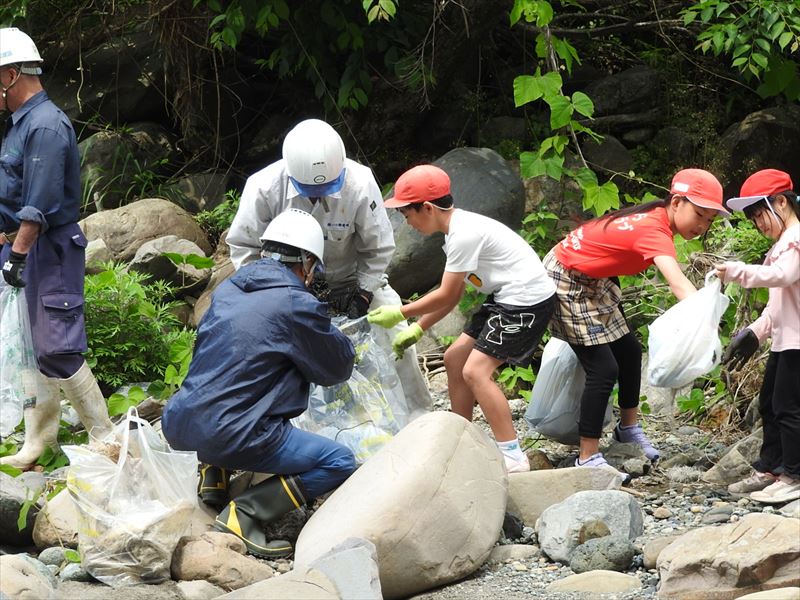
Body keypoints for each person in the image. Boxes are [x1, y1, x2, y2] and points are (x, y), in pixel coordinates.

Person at [161, 208, 357, 558]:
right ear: (308, 263)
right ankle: (246, 512)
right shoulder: (297, 303)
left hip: (180, 424)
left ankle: (213, 477)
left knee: (232, 378)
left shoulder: (229, 288)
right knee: (338, 461)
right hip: (234, 434)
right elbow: (337, 368)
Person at [368, 164, 557, 473]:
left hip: (526, 301)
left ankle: (512, 455)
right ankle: (460, 440)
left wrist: (401, 313)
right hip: (505, 297)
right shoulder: (456, 230)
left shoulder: (463, 235)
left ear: (427, 208)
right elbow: (453, 296)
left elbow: (444, 295)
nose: (408, 223)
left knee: (475, 372)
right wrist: (418, 329)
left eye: (407, 215)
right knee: (456, 357)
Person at [541, 168, 729, 471]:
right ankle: (587, 456)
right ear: (677, 202)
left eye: (710, 220)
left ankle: (627, 431)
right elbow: (678, 283)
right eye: (700, 214)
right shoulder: (653, 229)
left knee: (628, 351)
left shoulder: (657, 216)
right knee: (602, 368)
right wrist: (708, 323)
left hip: (594, 280)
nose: (703, 226)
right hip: (565, 277)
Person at [0, 28, 112, 469]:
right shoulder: (19, 124)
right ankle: (39, 440)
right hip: (21, 246)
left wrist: (19, 255)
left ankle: (104, 437)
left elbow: (39, 205)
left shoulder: (45, 126)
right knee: (28, 345)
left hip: (49, 249)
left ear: (10, 75)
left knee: (57, 347)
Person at [716, 169, 800, 504]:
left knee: (789, 407)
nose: (759, 224)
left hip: (798, 342)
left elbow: (783, 277)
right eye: (753, 219)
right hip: (785, 339)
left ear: (781, 202)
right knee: (769, 403)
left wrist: (736, 270)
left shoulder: (796, 240)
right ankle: (771, 467)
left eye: (760, 214)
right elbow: (778, 305)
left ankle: (794, 474)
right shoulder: (781, 245)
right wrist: (755, 332)